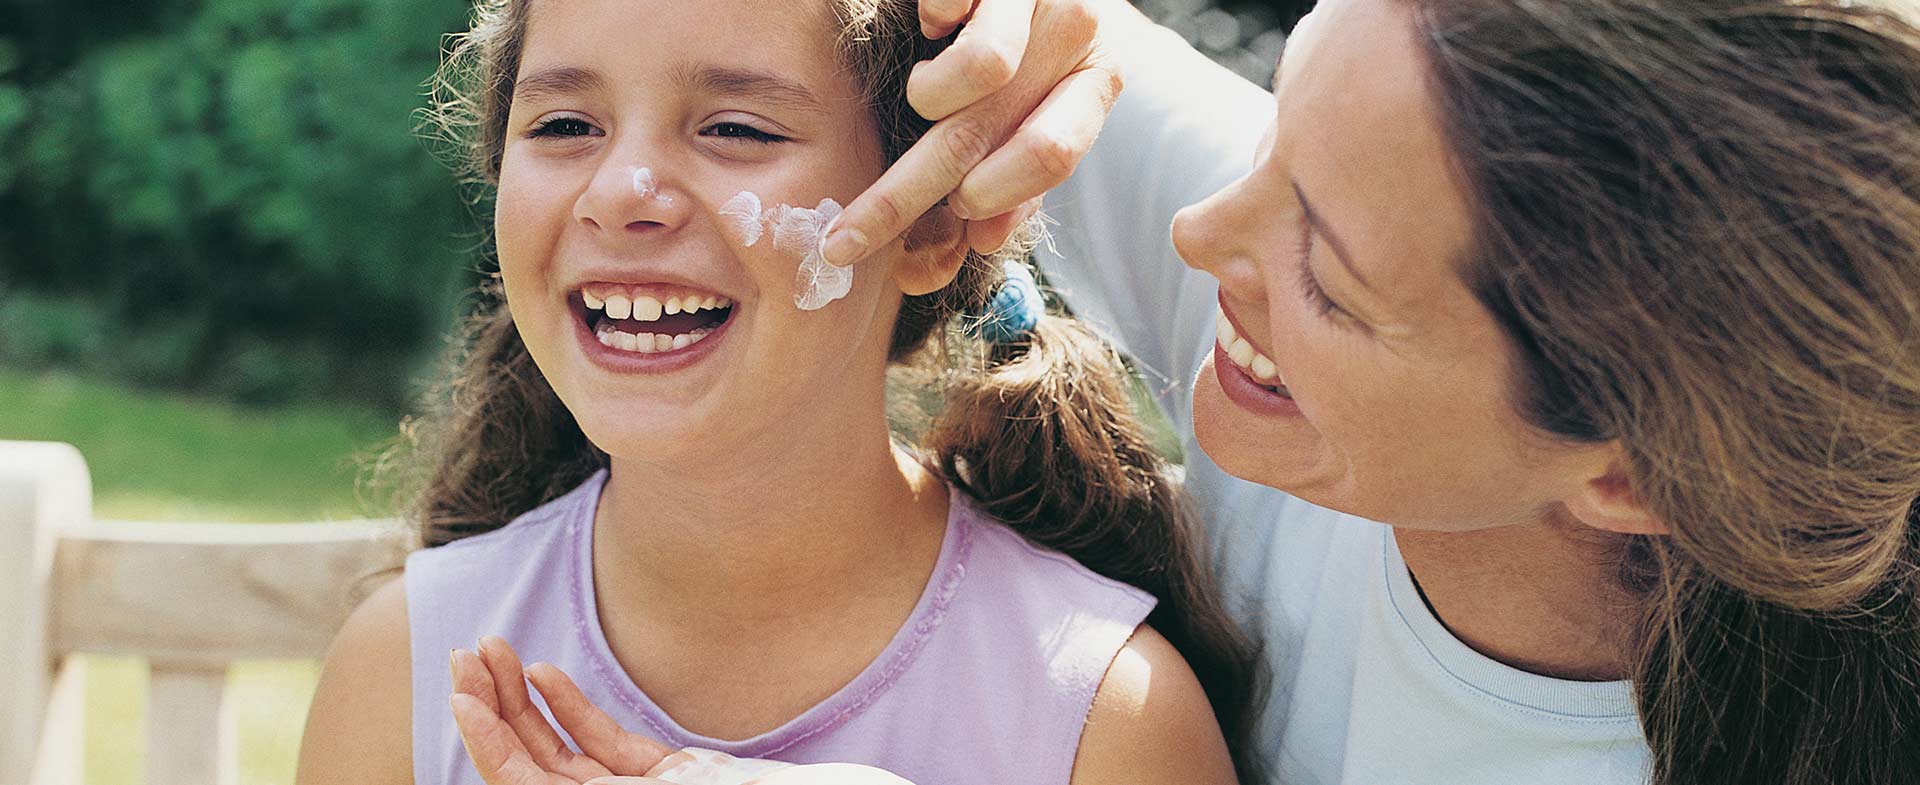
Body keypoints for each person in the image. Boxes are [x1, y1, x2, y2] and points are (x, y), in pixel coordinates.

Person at [452, 0, 1920, 783]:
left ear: (1627, 472)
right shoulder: (1379, 182)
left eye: (1326, 271)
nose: (1201, 233)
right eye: (1272, 138)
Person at [290, 0, 1260, 783]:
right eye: (566, 124)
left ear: (928, 224)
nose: (622, 188)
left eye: (738, 128)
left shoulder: (1107, 720)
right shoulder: (406, 675)